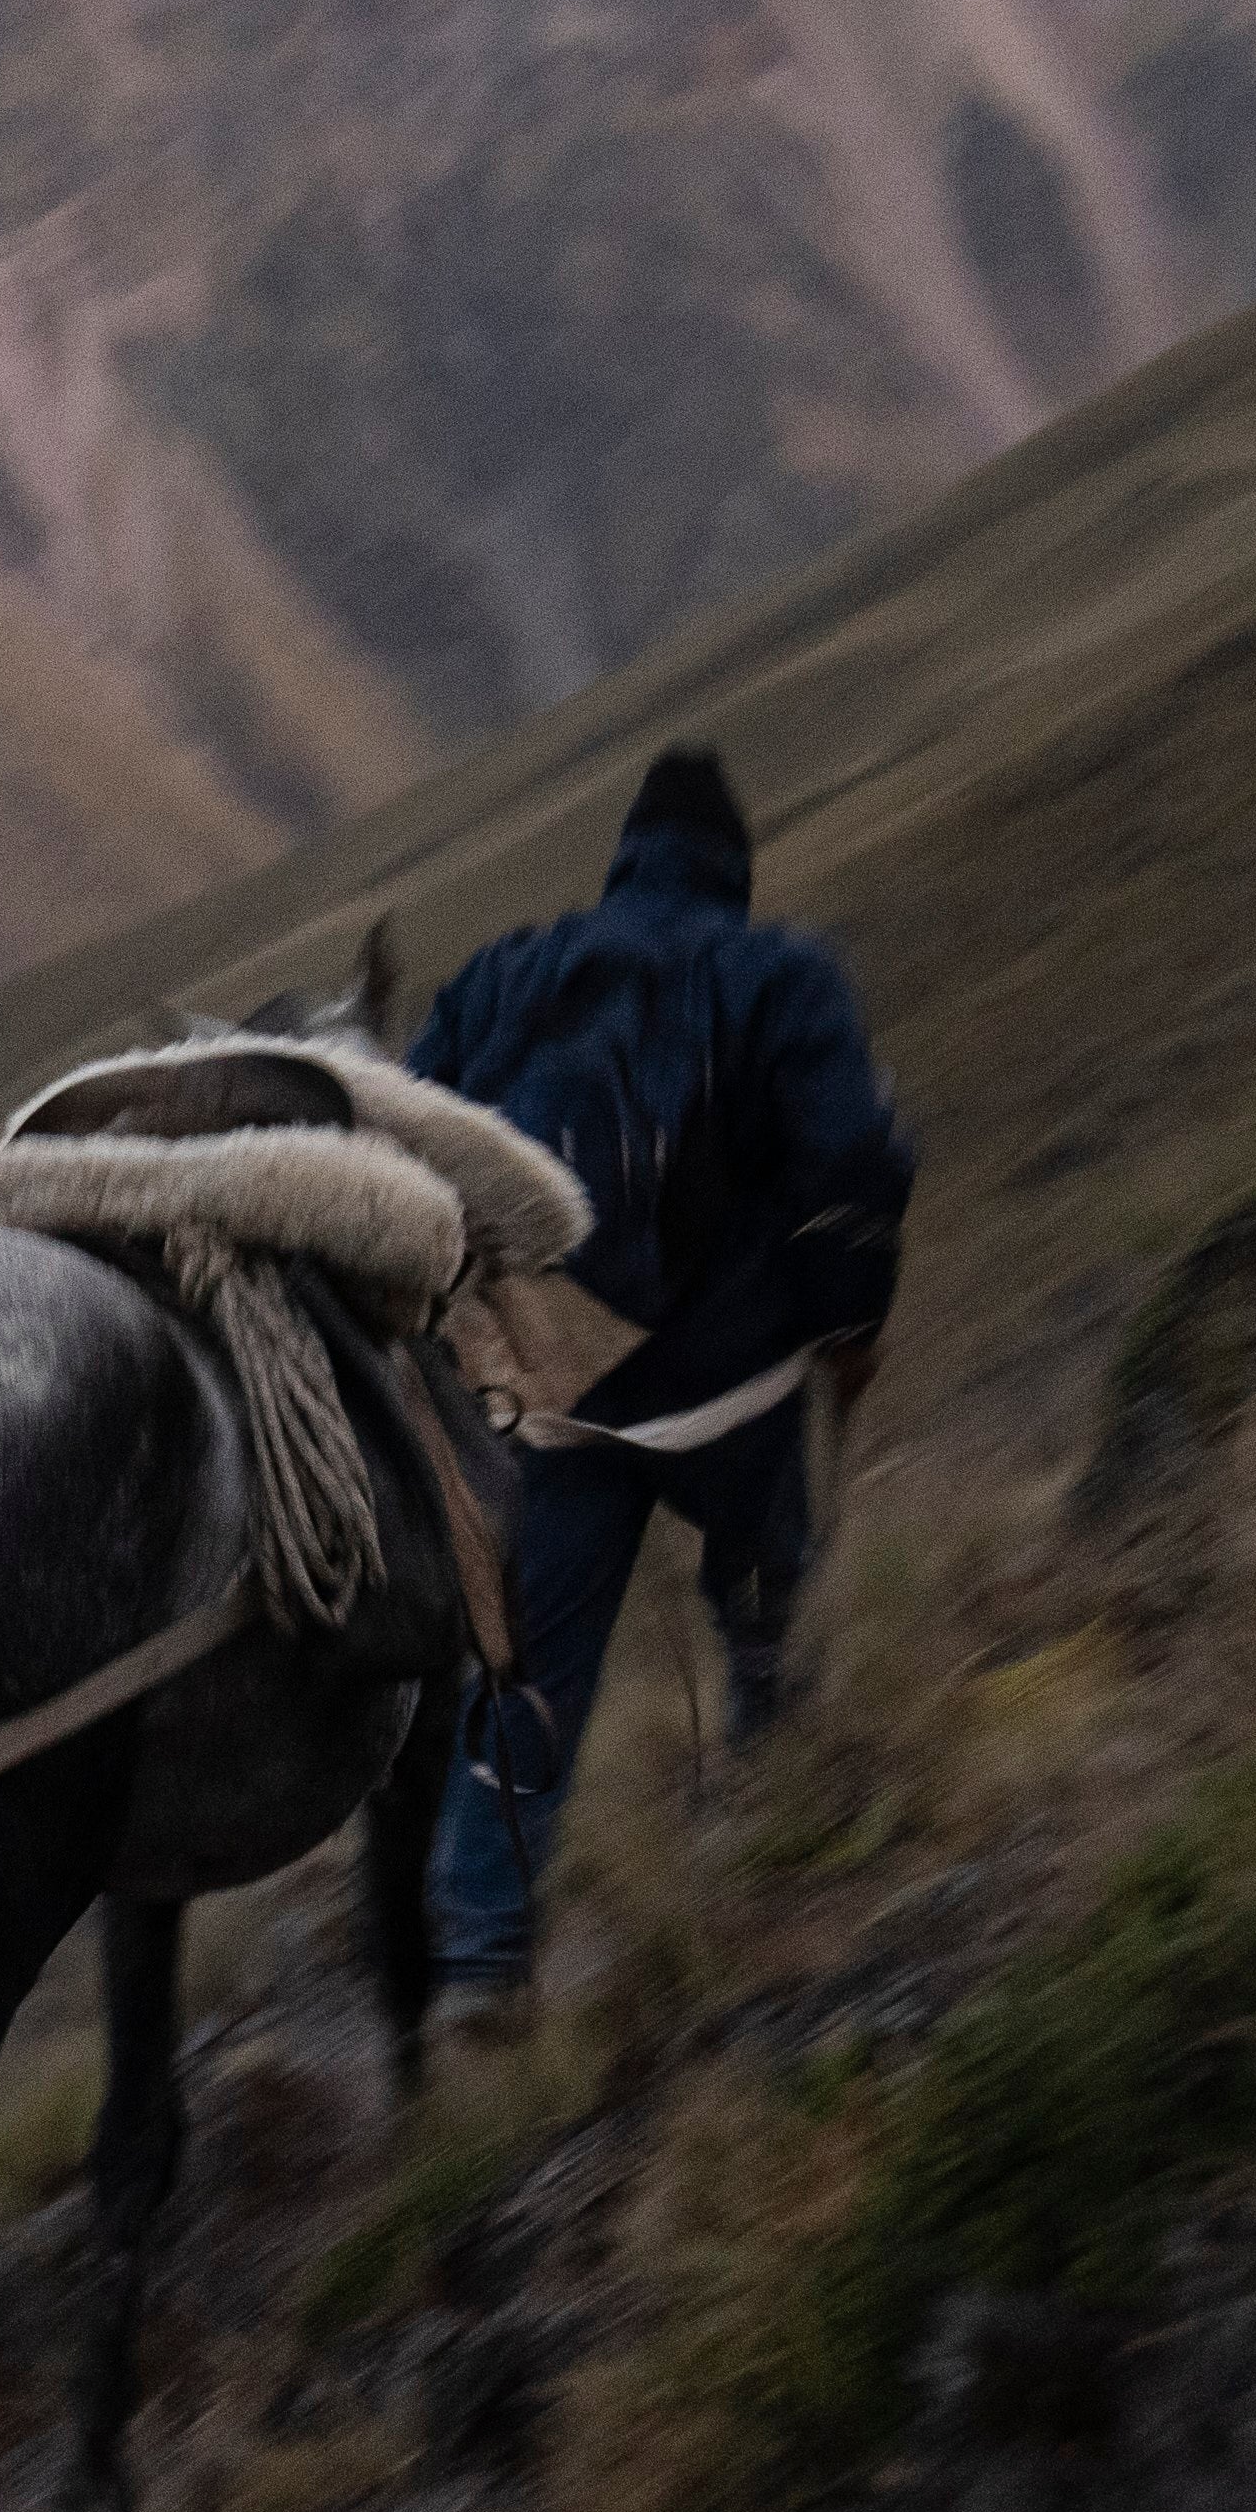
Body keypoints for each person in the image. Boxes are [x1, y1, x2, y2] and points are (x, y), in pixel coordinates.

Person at [405, 740, 913, 2001]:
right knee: (767, 1588)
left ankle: (482, 1952)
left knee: (531, 1664)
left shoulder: (505, 976)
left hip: (556, 1394)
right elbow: (853, 1162)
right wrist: (850, 1322)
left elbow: (405, 1143)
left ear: (626, 858)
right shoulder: (778, 974)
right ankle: (772, 1809)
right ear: (732, 869)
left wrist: (463, 1337)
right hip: (731, 1389)